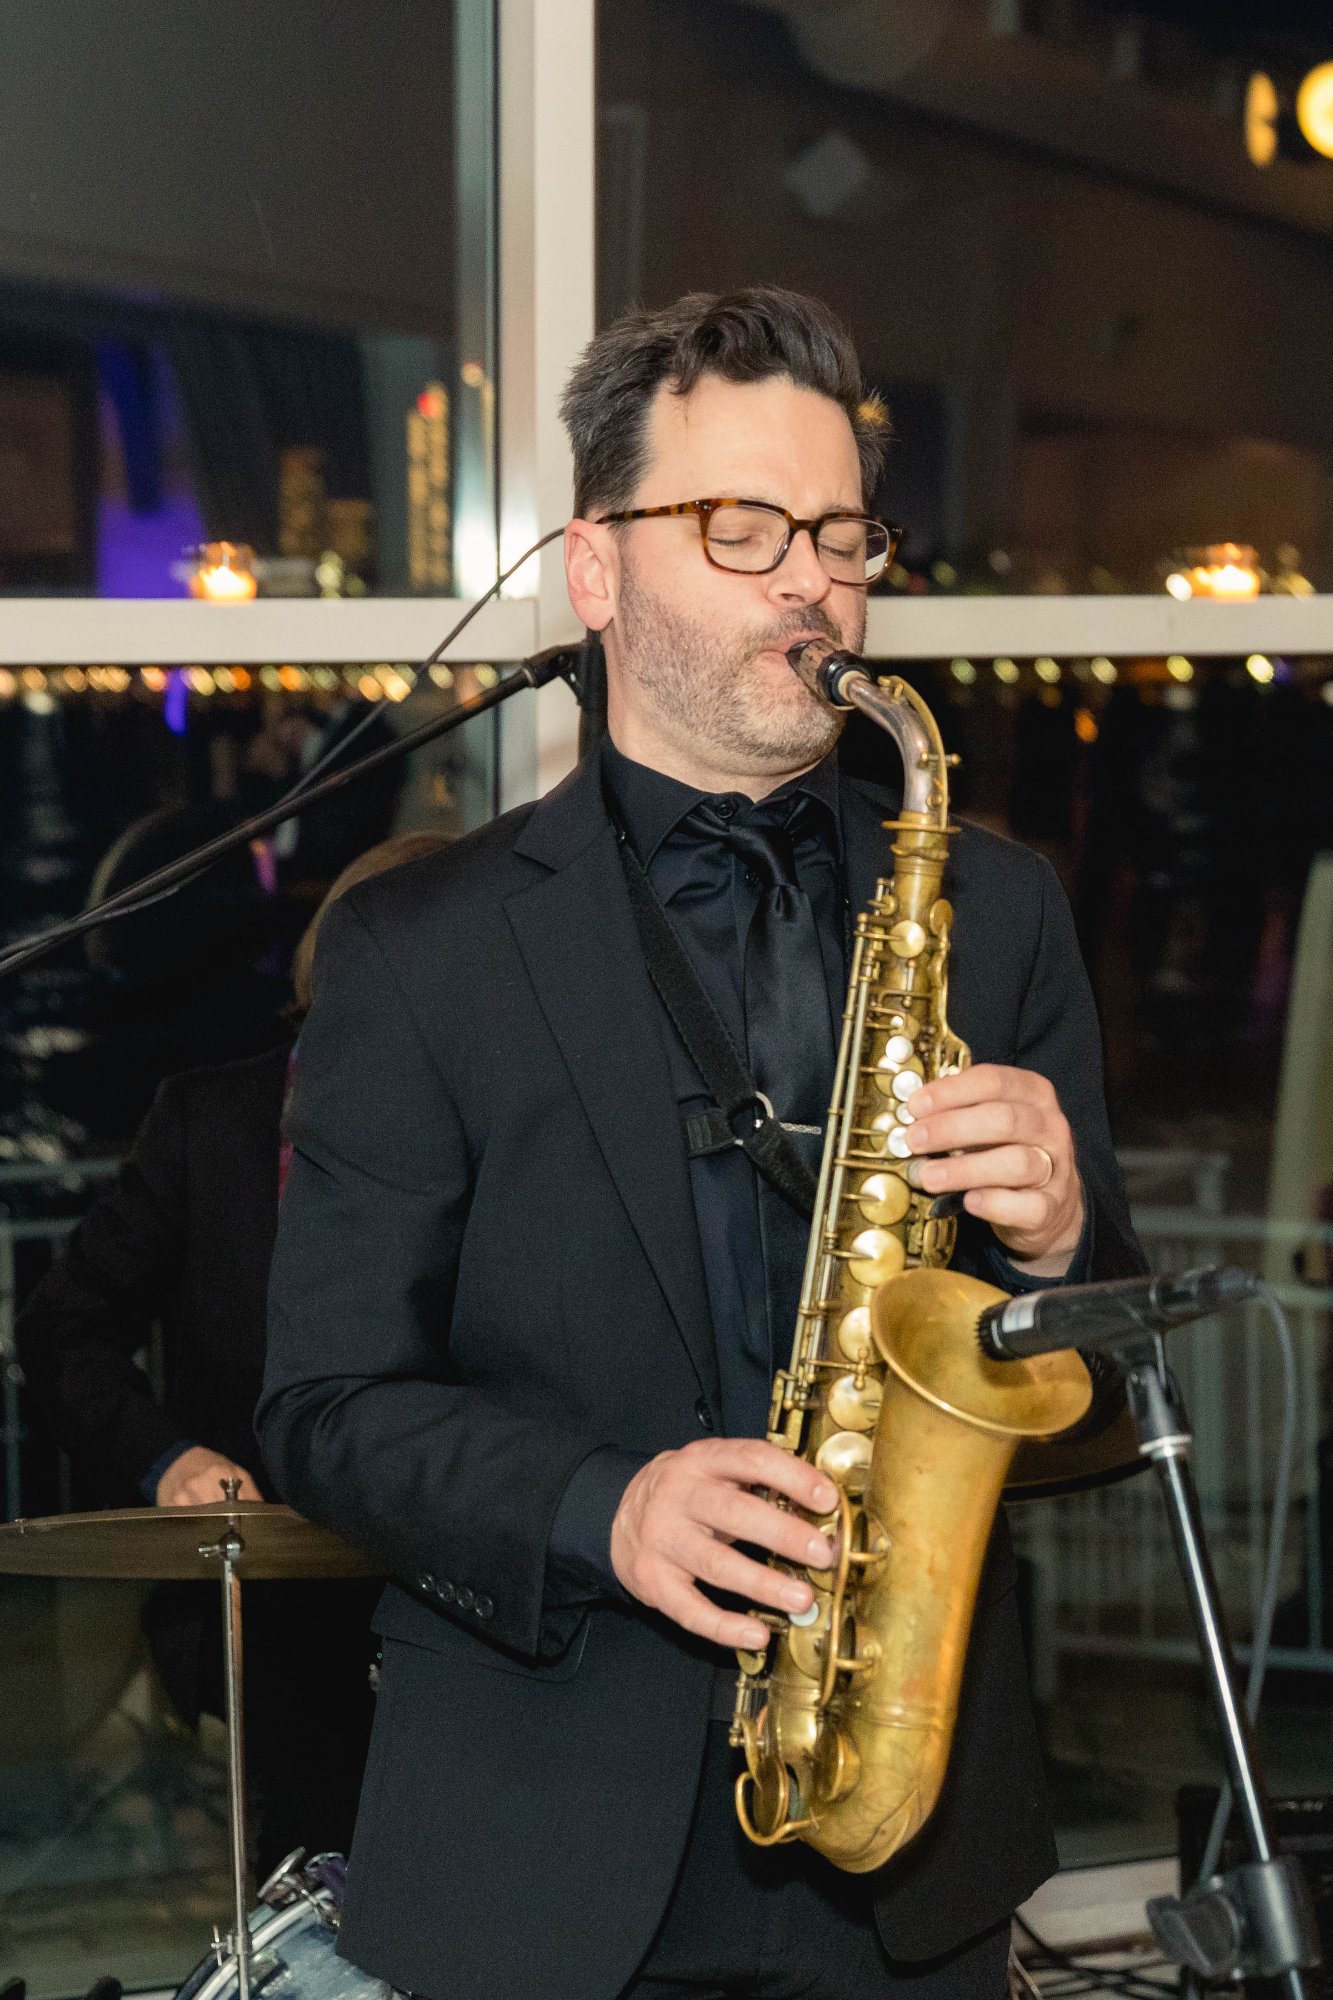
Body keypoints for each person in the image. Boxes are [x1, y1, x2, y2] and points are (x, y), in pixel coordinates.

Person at [257, 287, 1145, 2000]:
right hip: (538, 1866)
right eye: (740, 528)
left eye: (836, 531)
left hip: (914, 1865)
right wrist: (608, 1508)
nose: (811, 580)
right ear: (595, 573)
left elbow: (1099, 1400)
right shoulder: (416, 948)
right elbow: (323, 1408)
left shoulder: (994, 908)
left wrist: (1054, 1251)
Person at [17, 831, 445, 1877]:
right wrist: (167, 1459)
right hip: (274, 1608)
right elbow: (62, 1325)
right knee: (317, 1901)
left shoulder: (506, 1134)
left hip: (451, 1591)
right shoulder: (210, 1121)